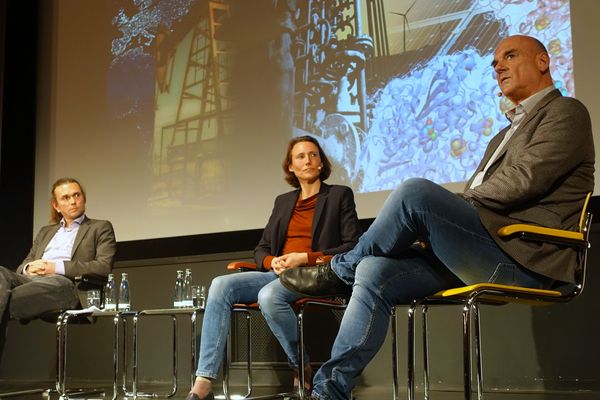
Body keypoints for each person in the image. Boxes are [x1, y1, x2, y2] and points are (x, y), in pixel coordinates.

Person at [280, 35, 595, 400]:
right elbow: (486, 199)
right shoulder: (503, 136)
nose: (498, 66)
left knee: (415, 193)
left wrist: (441, 209)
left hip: (524, 257)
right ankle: (329, 391)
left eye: (510, 56)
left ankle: (339, 270)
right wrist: (436, 224)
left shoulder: (566, 112)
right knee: (373, 270)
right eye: (494, 62)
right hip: (485, 247)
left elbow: (523, 181)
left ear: (543, 61)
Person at [187, 136, 362, 400]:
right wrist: (272, 261)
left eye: (313, 155)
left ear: (321, 162)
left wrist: (305, 257)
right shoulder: (283, 202)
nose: (308, 160)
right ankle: (203, 381)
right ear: (290, 166)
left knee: (269, 295)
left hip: (315, 273)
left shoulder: (338, 195)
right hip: (279, 273)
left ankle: (300, 366)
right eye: (300, 156)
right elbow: (262, 248)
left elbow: (352, 246)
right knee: (220, 285)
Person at [0, 177, 116, 323]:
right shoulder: (45, 232)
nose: (73, 202)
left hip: (64, 283)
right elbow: (24, 265)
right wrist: (29, 268)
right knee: (1, 273)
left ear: (84, 198)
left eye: (77, 195)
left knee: (5, 297)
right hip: (30, 280)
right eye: (66, 198)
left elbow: (103, 267)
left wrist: (55, 267)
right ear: (56, 206)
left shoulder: (100, 227)